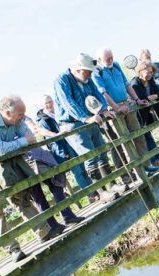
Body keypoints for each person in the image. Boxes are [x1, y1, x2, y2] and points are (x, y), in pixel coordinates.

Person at [0, 95, 65, 262]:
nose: (24, 117)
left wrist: (23, 139)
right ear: (7, 113)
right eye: (20, 114)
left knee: (20, 195)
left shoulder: (16, 120)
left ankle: (44, 233)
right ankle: (13, 250)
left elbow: (31, 138)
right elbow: (1, 148)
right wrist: (22, 140)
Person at [53, 53, 120, 202]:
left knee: (102, 150)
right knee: (90, 156)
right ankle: (101, 192)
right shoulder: (62, 80)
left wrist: (103, 109)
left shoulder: (87, 79)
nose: (90, 74)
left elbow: (96, 94)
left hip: (92, 118)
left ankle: (112, 185)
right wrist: (86, 117)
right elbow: (68, 103)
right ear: (77, 69)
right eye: (87, 71)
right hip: (74, 122)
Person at [92, 47, 159, 178]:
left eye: (112, 57)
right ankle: (138, 172)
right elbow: (103, 93)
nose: (111, 60)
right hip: (115, 110)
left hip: (127, 104)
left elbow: (126, 84)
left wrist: (137, 99)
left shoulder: (116, 65)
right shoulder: (97, 73)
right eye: (107, 59)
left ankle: (147, 165)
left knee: (139, 135)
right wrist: (117, 108)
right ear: (100, 60)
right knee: (126, 142)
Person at [35, 95, 100, 203]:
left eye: (50, 101)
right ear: (42, 106)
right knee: (77, 171)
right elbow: (52, 140)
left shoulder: (58, 113)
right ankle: (91, 194)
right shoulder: (44, 120)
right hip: (63, 148)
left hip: (72, 143)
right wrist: (62, 153)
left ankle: (95, 191)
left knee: (83, 168)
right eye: (46, 103)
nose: (49, 104)